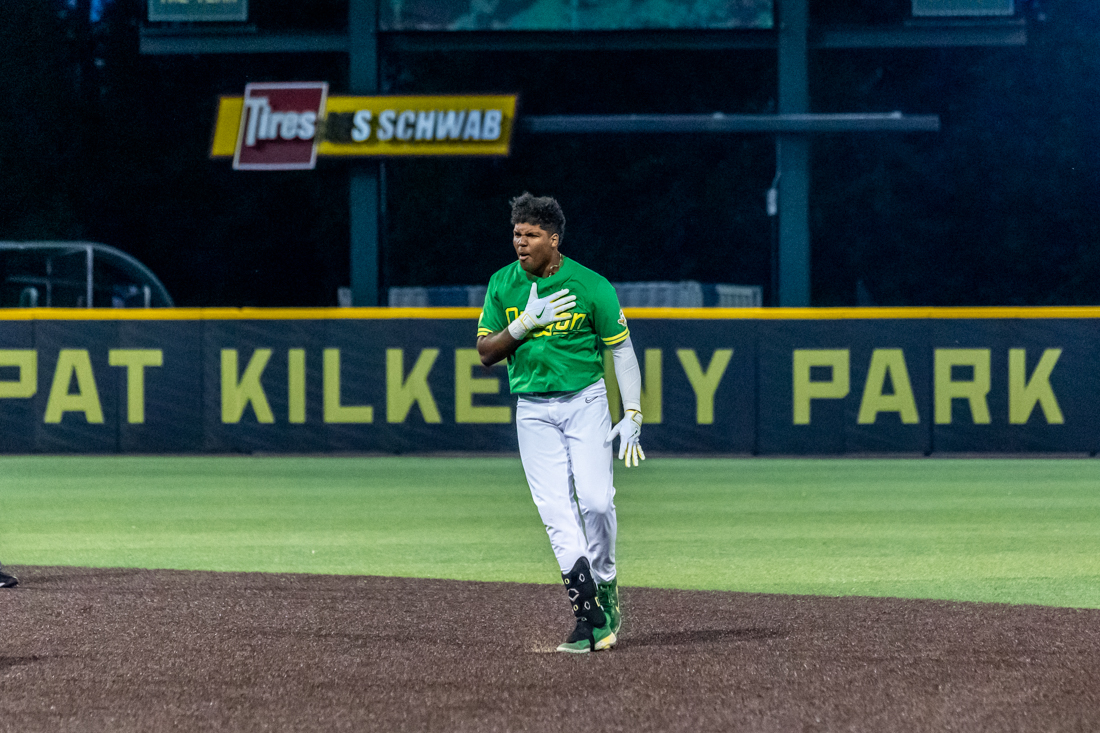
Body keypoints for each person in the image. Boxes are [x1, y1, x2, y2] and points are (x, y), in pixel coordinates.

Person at [477, 192, 645, 654]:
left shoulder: (591, 286)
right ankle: (589, 616)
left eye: (531, 235)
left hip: (584, 401)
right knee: (556, 513)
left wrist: (632, 412)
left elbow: (622, 350)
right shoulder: (503, 284)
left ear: (554, 239)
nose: (521, 243)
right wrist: (524, 325)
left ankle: (606, 579)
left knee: (595, 502)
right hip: (532, 409)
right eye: (516, 234)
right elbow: (487, 353)